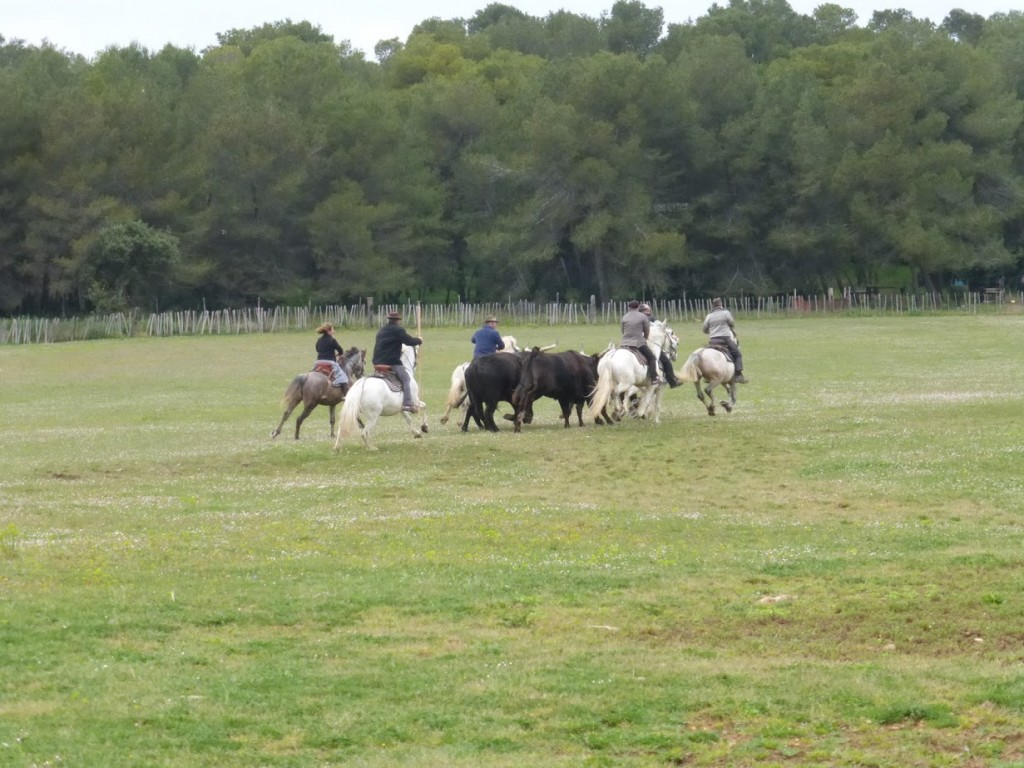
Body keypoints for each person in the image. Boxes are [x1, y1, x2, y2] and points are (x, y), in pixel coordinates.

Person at [373, 311, 424, 412]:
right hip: (391, 362)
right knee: (406, 379)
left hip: (377, 362)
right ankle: (407, 404)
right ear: (397, 321)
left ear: (389, 319)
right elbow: (408, 341)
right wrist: (419, 340)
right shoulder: (398, 330)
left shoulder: (381, 331)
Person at [702, 297, 748, 383]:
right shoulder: (726, 313)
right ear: (721, 304)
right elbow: (731, 323)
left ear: (713, 306)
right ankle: (738, 375)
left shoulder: (709, 316)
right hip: (725, 339)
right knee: (737, 354)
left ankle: (706, 376)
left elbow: (704, 329)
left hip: (713, 340)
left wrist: (712, 330)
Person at [639, 303, 680, 388]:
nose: (649, 311)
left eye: (649, 309)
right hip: (649, 344)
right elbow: (663, 328)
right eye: (647, 310)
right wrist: (672, 334)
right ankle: (671, 380)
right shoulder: (651, 319)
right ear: (642, 311)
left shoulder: (635, 319)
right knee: (666, 361)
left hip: (634, 343)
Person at [620, 300, 660, 385]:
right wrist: (644, 338)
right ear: (638, 307)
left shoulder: (624, 317)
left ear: (629, 307)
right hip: (638, 343)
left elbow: (623, 331)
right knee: (652, 358)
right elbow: (646, 330)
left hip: (624, 343)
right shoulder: (642, 317)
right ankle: (654, 378)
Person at [314, 323, 349, 392]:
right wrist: (339, 354)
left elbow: (317, 350)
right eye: (333, 329)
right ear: (328, 331)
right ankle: (345, 395)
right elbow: (340, 350)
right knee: (344, 378)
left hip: (318, 362)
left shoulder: (319, 340)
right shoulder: (332, 340)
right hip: (330, 362)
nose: (334, 331)